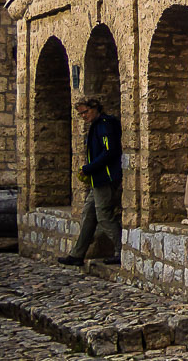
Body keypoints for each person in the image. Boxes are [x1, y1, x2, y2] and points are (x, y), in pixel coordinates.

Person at [58, 98, 122, 265]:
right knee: (88, 215)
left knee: (104, 217)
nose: (84, 116)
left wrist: (89, 168)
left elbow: (109, 151)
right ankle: (77, 255)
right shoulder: (96, 126)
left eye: (85, 112)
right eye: (81, 114)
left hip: (105, 179)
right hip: (97, 180)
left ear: (95, 108)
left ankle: (122, 250)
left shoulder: (104, 125)